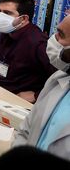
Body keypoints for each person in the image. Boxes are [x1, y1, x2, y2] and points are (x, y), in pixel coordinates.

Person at [11, 14, 70, 160]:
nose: (53, 39)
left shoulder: (34, 41)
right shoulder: (57, 80)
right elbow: (25, 131)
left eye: (61, 35)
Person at [0, 0, 55, 101]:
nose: (0, 16)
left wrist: (36, 96)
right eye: (0, 12)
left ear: (24, 19)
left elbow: (60, 78)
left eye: (7, 13)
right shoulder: (7, 32)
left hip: (16, 99)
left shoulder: (38, 43)